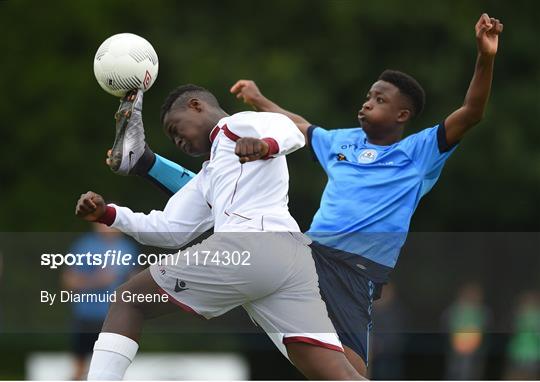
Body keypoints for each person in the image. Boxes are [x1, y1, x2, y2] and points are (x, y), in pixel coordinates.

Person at [104, 14, 503, 376]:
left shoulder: (418, 152)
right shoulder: (342, 143)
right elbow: (297, 126)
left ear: (403, 116)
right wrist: (260, 100)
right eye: (369, 95)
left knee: (350, 372)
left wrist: (484, 57)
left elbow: (471, 112)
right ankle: (145, 163)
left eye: (381, 100)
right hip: (311, 256)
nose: (368, 102)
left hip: (358, 274)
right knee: (217, 188)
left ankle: (144, 163)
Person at [75, 84, 362, 380]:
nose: (177, 141)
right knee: (339, 374)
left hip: (249, 247)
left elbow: (287, 128)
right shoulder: (210, 175)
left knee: (129, 298)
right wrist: (109, 214)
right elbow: (170, 230)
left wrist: (266, 145)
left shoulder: (233, 126)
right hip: (292, 262)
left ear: (197, 106)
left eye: (176, 128)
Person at [62, 223, 138, 380]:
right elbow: (69, 282)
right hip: (88, 316)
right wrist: (96, 280)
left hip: (117, 318)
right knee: (80, 368)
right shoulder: (84, 245)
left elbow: (135, 278)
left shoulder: (127, 248)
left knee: (114, 367)